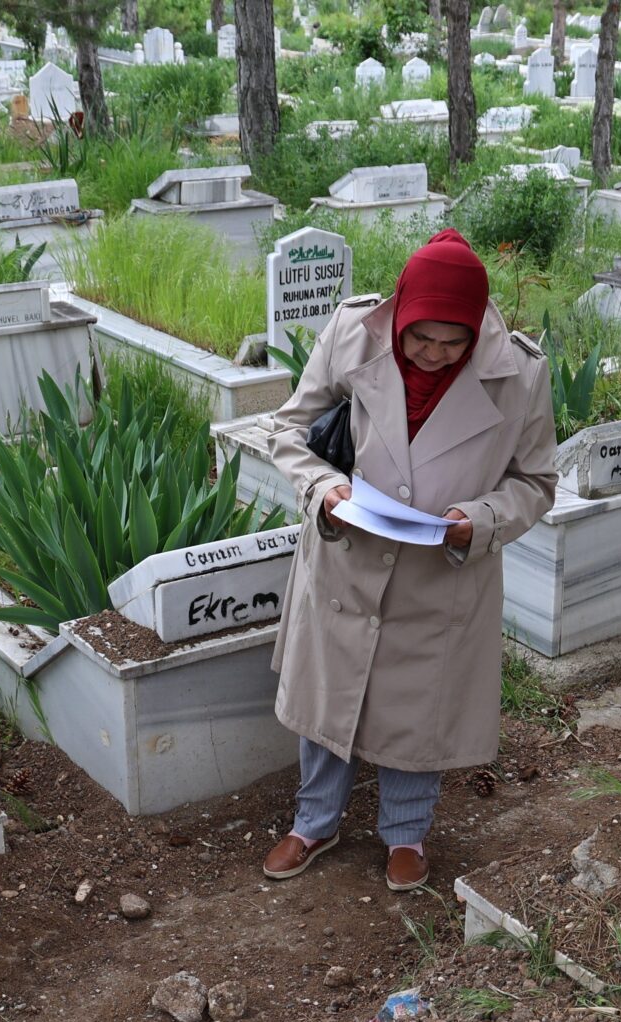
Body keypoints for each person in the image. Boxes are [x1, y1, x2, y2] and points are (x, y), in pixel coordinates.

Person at [258, 228, 559, 893]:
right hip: (347, 553)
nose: (433, 355)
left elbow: (535, 482)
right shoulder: (351, 334)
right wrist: (323, 488)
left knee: (419, 705)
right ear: (399, 312)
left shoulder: (520, 373)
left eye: (453, 343)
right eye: (420, 338)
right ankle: (314, 820)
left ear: (478, 328)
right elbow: (286, 428)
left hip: (441, 570)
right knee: (329, 695)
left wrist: (477, 521)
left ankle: (405, 833)